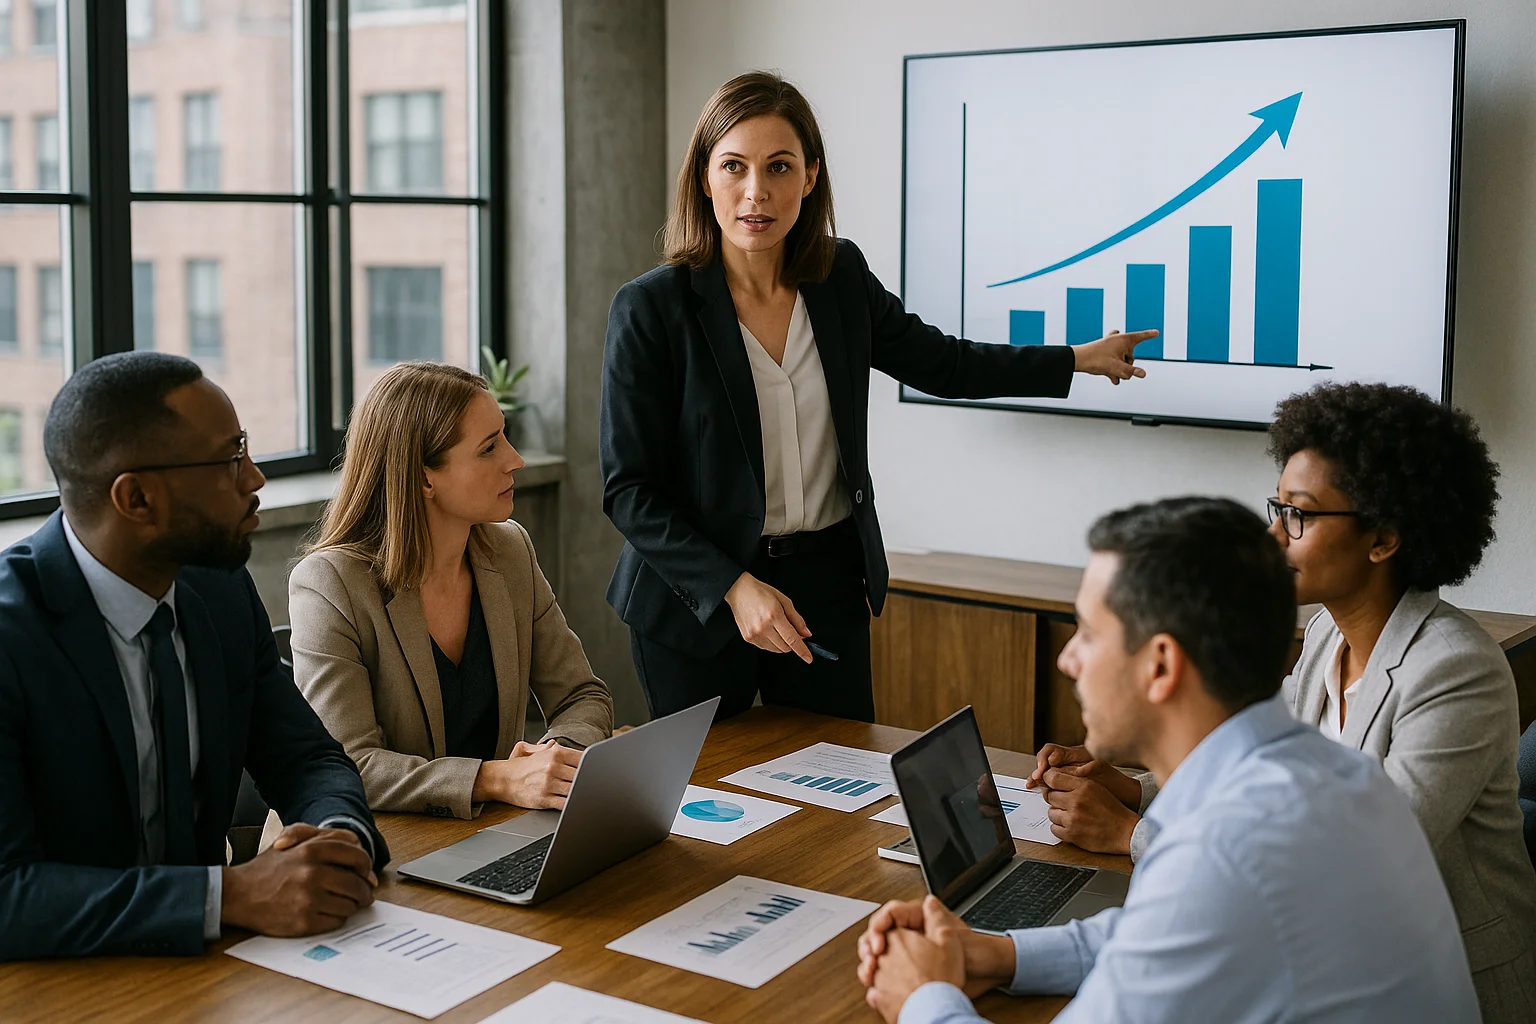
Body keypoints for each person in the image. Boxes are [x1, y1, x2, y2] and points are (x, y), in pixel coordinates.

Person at [601, 71, 1156, 722]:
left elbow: (944, 364)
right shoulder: (650, 309)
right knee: (702, 803)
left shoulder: (840, 279)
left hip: (824, 585)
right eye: (734, 167)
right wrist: (732, 588)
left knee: (836, 790)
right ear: (703, 176)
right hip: (697, 597)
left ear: (810, 176)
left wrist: (1073, 360)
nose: (757, 192)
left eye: (779, 167)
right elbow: (630, 489)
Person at [856, 497, 1478, 1023]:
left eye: (1090, 635)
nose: (1068, 659)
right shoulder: (1336, 775)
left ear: (1160, 665)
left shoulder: (1223, 851)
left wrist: (924, 996)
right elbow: (1149, 936)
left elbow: (1194, 903)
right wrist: (996, 953)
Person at [1028, 383, 1536, 1020]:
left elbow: (1350, 868)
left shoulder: (1456, 670)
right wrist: (1135, 789)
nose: (1273, 535)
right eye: (1277, 507)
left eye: (1300, 514)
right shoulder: (1326, 633)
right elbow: (1266, 782)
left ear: (1382, 539)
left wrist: (1133, 833)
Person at [0, 352, 387, 960]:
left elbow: (306, 758)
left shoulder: (219, 589)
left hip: (214, 974)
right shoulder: (11, 636)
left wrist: (339, 839)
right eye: (230, 458)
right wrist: (227, 896)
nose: (255, 478)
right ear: (138, 500)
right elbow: (8, 895)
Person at [289, 362, 613, 820]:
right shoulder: (329, 584)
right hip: (377, 846)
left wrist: (554, 762)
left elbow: (582, 695)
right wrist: (496, 778)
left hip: (490, 833)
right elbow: (349, 764)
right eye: (489, 448)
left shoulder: (510, 550)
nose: (514, 459)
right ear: (423, 478)